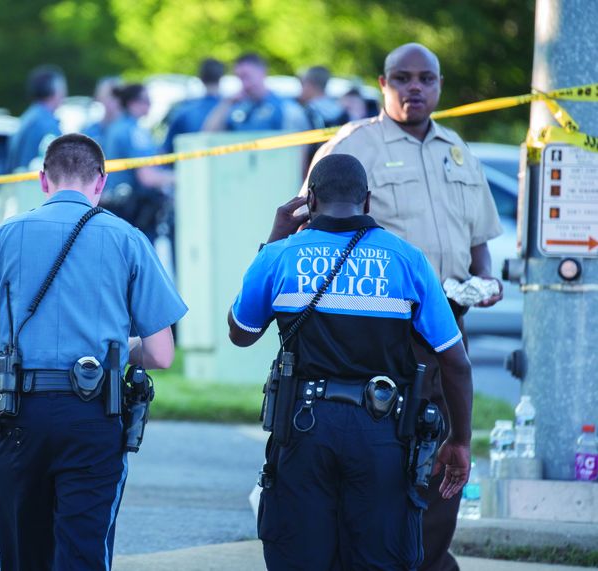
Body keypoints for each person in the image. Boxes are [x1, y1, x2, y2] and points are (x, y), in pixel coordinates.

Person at [0, 133, 187, 570]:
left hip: (19, 414)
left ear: (42, 180)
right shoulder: (128, 240)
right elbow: (161, 353)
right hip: (94, 416)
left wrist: (12, 335)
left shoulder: (4, 235)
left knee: (23, 553)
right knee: (83, 555)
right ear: (100, 182)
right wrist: (113, 345)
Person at [304, 43, 503, 571]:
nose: (414, 87)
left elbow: (479, 237)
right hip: (378, 331)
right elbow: (313, 231)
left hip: (446, 326)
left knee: (443, 443)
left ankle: (429, 558)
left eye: (425, 78)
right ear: (382, 83)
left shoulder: (456, 149)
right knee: (385, 451)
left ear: (439, 84)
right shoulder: (353, 146)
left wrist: (485, 280)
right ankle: (375, 555)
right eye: (402, 78)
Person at [229, 154, 472, 570]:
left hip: (303, 428)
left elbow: (241, 333)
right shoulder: (407, 259)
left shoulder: (280, 255)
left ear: (310, 199)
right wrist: (459, 441)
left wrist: (272, 239)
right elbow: (455, 363)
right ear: (368, 200)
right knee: (380, 555)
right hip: (383, 433)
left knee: (300, 553)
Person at [103, 83, 174, 241]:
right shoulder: (134, 131)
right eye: (146, 100)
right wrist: (179, 177)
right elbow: (147, 177)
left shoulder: (114, 127)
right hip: (134, 211)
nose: (150, 105)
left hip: (115, 209)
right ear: (133, 103)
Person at [203, 53, 304, 132]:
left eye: (246, 76)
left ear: (262, 72)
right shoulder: (237, 107)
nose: (244, 84)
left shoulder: (285, 107)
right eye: (239, 78)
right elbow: (209, 134)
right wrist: (227, 103)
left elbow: (299, 148)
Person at [6, 65, 67, 173]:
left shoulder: (30, 116)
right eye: (62, 88)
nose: (65, 94)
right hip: (33, 187)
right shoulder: (45, 123)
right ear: (53, 90)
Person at [160, 58, 225, 153]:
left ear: (200, 78)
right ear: (221, 77)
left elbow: (167, 149)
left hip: (191, 164)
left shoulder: (184, 111)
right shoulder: (235, 109)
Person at [82, 76, 122, 150]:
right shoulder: (90, 132)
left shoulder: (130, 131)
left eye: (116, 95)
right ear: (98, 97)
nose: (113, 100)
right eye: (108, 95)